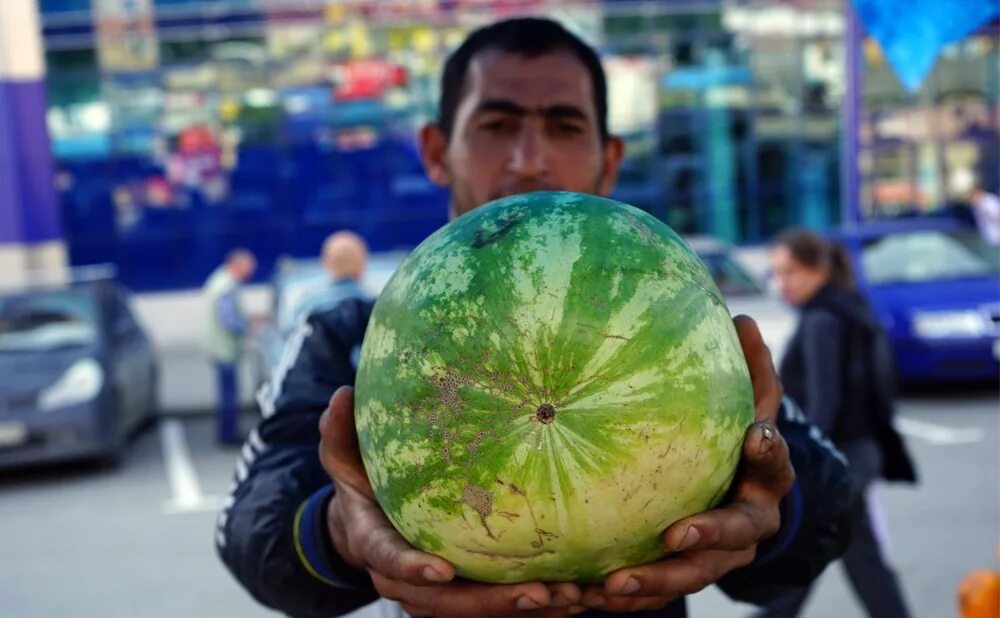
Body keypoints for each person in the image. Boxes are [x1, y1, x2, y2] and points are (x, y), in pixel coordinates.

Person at [216, 18, 857, 618]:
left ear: (609, 160)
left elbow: (832, 506)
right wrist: (341, 532)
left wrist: (766, 504)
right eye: (496, 125)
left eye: (564, 126)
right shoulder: (350, 336)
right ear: (438, 150)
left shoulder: (672, 323)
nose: (529, 158)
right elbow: (249, 530)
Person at [759, 228, 917, 618]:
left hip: (837, 456)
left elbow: (823, 403)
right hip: (858, 452)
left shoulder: (821, 321)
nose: (783, 284)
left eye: (790, 272)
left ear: (817, 269)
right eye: (776, 274)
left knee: (813, 551)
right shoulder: (849, 307)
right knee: (849, 552)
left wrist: (803, 466)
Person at [202, 248, 256, 445]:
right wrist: (247, 326)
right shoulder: (226, 286)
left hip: (220, 347)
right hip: (224, 348)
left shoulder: (220, 281)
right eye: (248, 269)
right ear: (238, 266)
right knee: (229, 394)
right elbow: (229, 320)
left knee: (227, 392)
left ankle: (228, 432)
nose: (249, 274)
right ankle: (228, 435)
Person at [279, 231, 371, 335]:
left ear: (326, 262)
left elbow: (288, 342)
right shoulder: (376, 307)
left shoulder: (307, 307)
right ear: (362, 262)